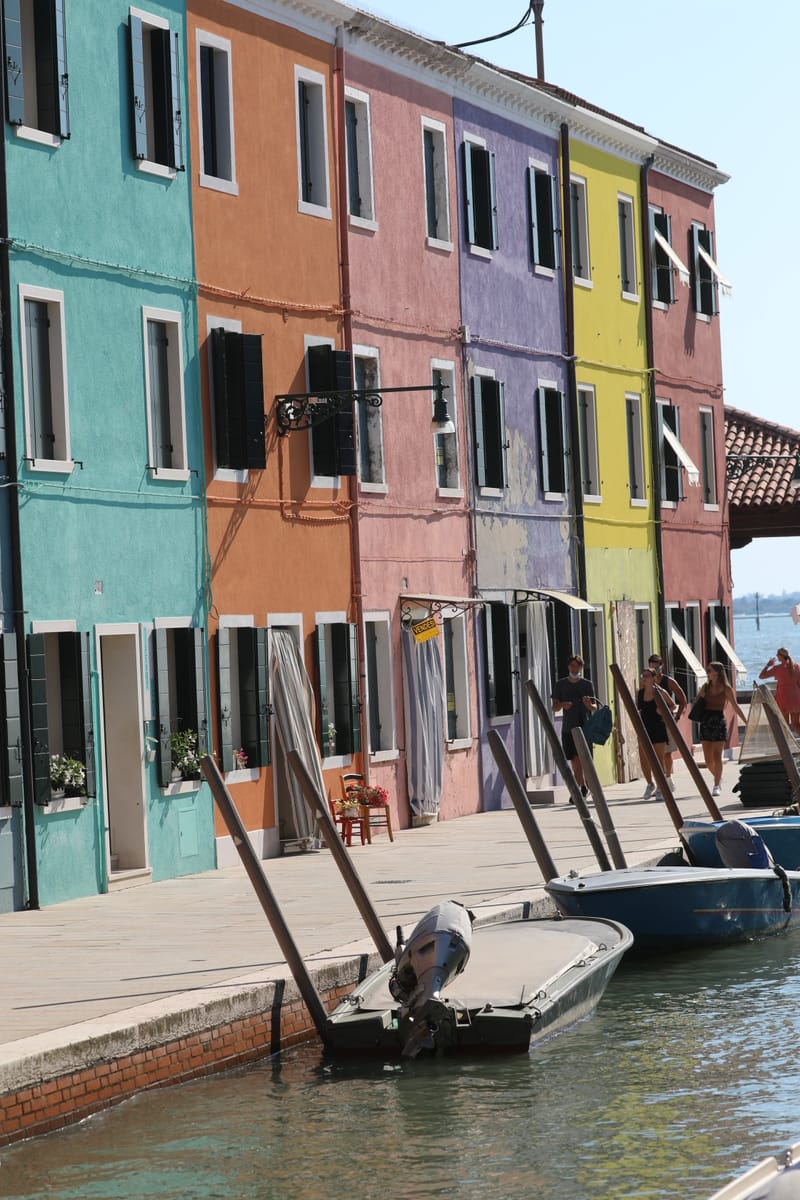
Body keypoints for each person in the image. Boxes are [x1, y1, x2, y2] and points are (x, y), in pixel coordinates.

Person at [696, 661, 746, 797]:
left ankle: (716, 784)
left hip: (718, 721)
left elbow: (735, 707)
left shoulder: (726, 688)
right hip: (706, 720)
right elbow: (696, 701)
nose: (707, 673)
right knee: (708, 760)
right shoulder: (705, 687)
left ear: (717, 672)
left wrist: (746, 721)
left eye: (709, 671)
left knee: (717, 755)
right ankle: (718, 777)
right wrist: (699, 696)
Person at [551, 654, 598, 797]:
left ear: (581, 667)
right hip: (568, 727)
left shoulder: (587, 684)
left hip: (584, 726)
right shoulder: (560, 685)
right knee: (574, 760)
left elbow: (594, 707)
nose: (574, 668)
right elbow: (554, 708)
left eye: (577, 666)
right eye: (572, 665)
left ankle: (578, 790)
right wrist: (562, 705)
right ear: (568, 667)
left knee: (582, 758)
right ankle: (582, 786)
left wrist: (589, 705)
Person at [647, 653, 686, 790]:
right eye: (652, 665)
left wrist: (677, 716)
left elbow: (682, 698)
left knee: (667, 752)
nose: (654, 668)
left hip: (666, 720)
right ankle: (659, 781)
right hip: (651, 721)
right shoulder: (646, 682)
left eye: (656, 665)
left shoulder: (668, 681)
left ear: (661, 666)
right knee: (653, 753)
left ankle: (668, 778)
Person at [636, 667, 676, 800]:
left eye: (647, 675)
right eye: (643, 675)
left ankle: (661, 787)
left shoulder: (660, 692)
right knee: (644, 759)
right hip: (644, 727)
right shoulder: (640, 693)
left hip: (658, 726)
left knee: (658, 760)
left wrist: (662, 710)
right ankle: (650, 784)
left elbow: (673, 705)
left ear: (653, 678)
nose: (644, 678)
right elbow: (638, 708)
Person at [758, 648, 800, 734]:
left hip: (783, 697)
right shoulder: (797, 666)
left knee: (784, 725)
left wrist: (768, 665)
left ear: (781, 656)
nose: (776, 656)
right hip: (796, 697)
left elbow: (761, 676)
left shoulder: (777, 668)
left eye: (777, 655)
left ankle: (787, 745)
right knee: (796, 725)